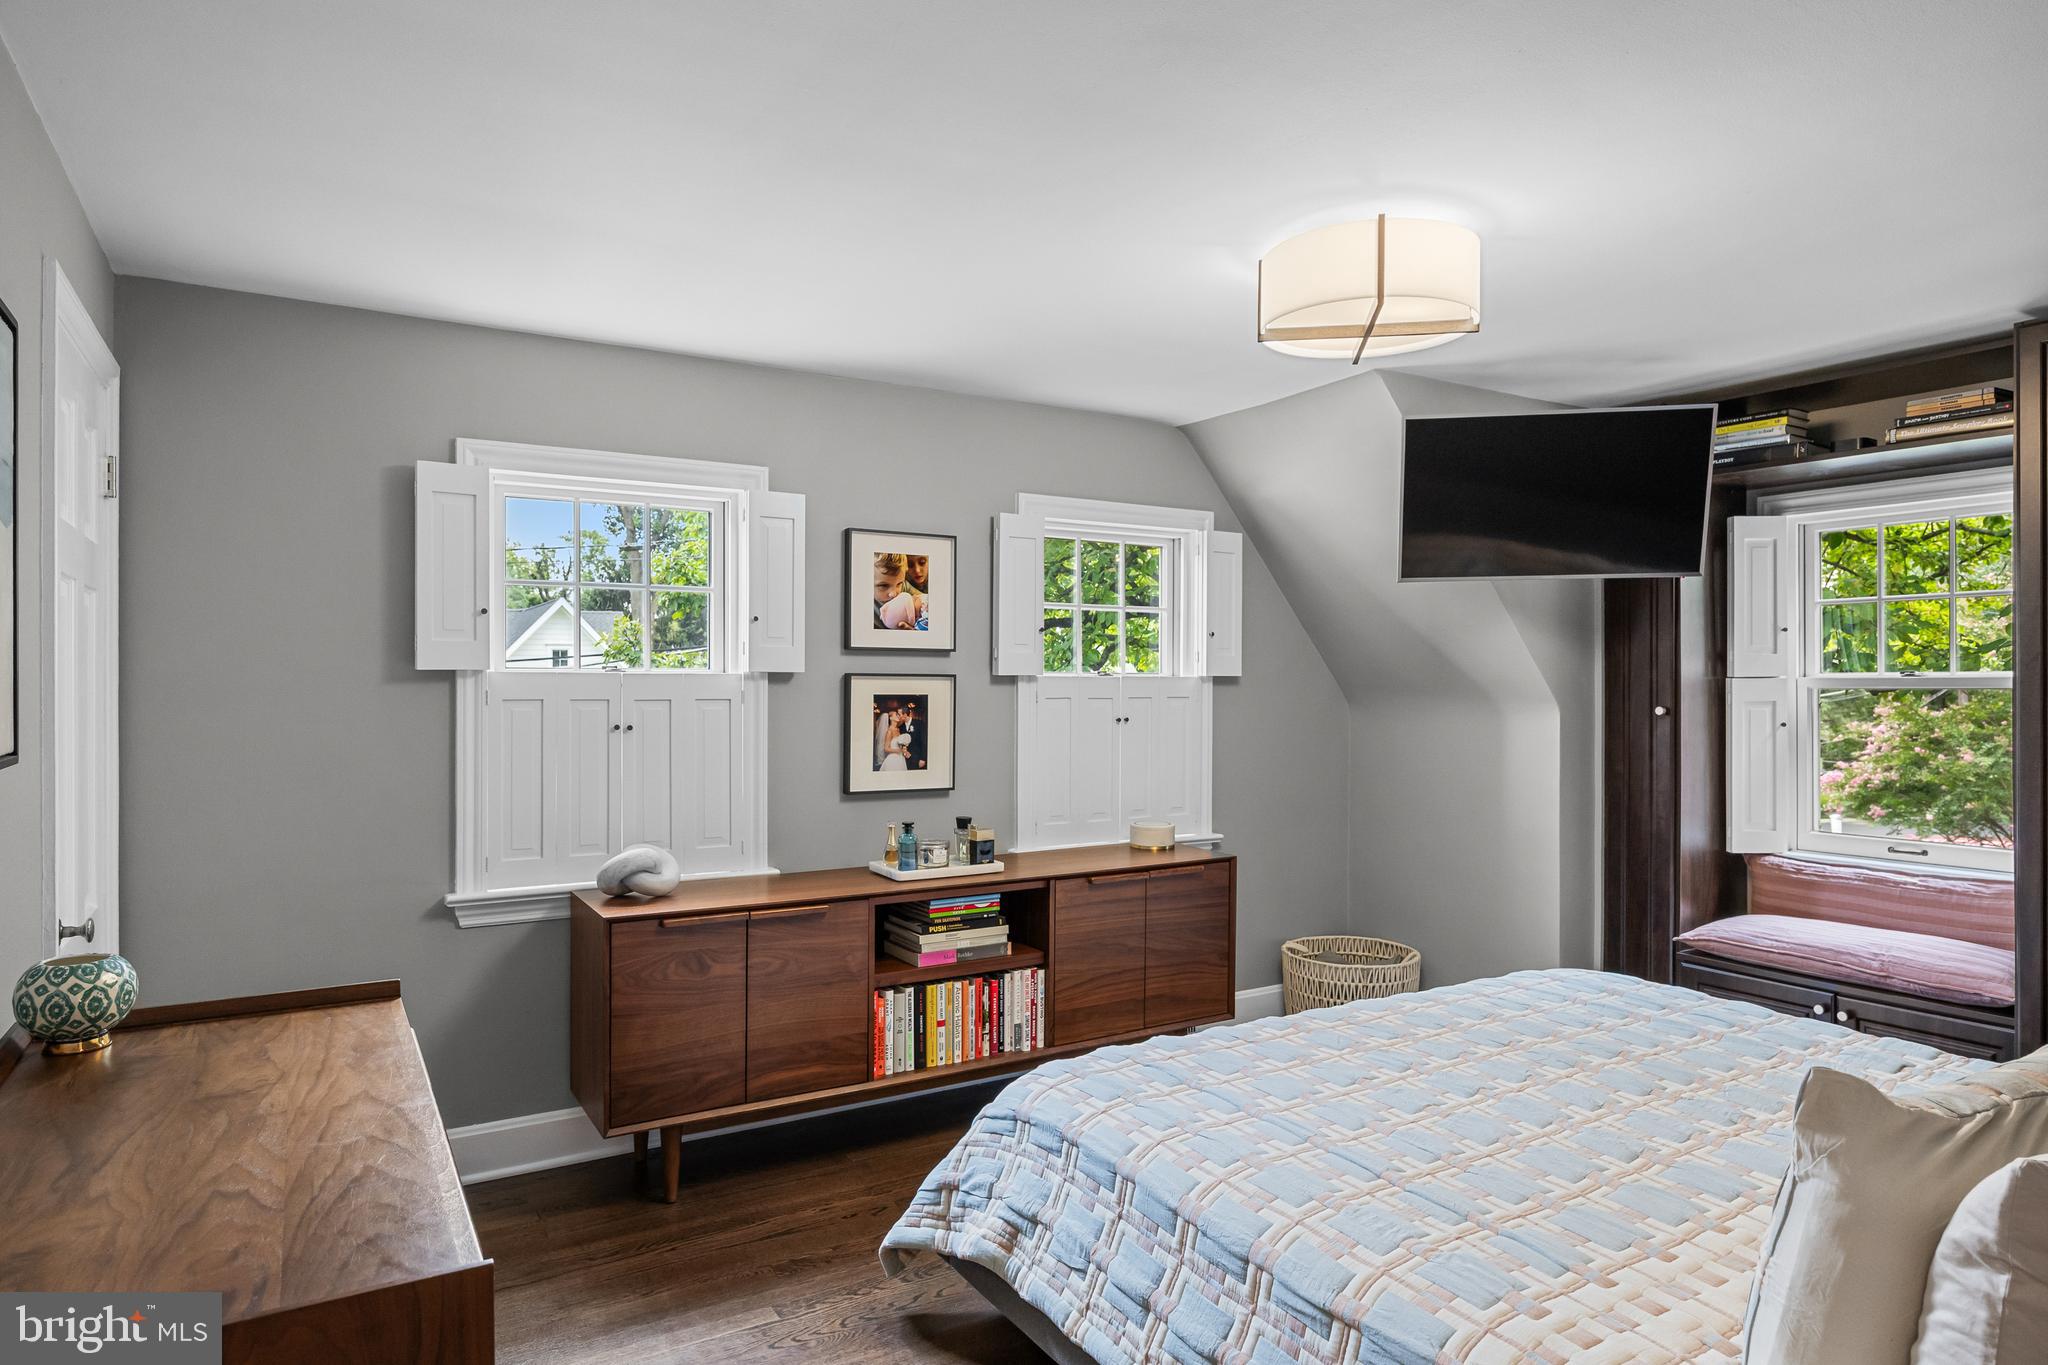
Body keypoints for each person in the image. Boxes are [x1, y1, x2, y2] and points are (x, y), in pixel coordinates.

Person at [873, 552, 928, 631]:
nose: (894, 594)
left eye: (899, 583)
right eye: (884, 585)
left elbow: (925, 600)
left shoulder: (905, 587)